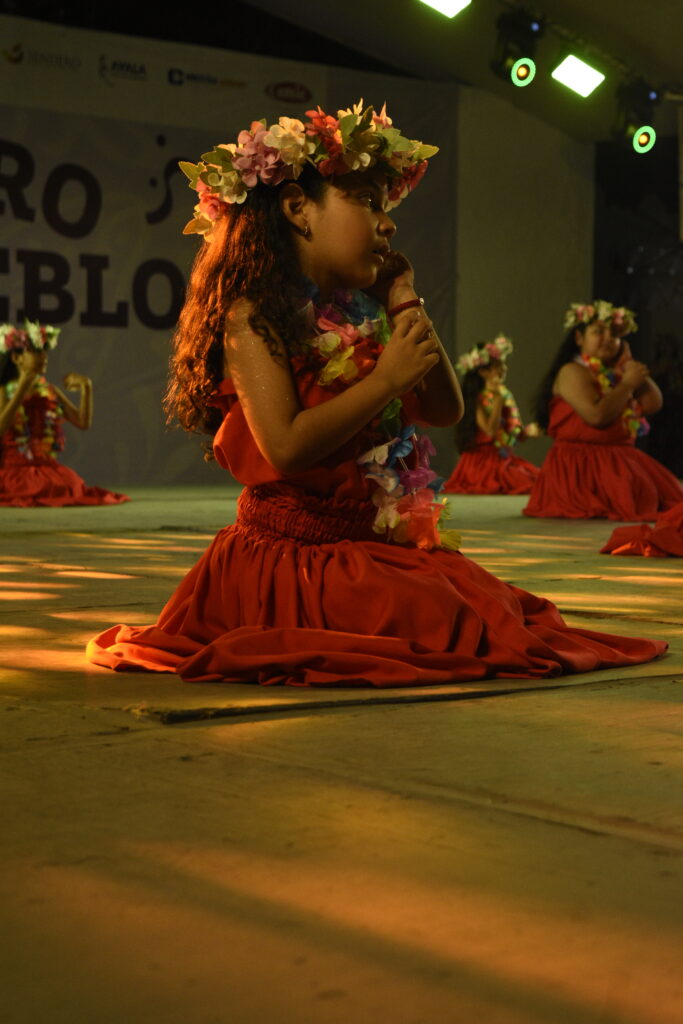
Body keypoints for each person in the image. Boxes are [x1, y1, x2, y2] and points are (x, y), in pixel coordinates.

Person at [87, 102, 665, 685]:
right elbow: (285, 448)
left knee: (491, 607)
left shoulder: (359, 316)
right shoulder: (252, 315)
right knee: (447, 619)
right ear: (298, 209)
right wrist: (386, 380)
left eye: (387, 208)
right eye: (367, 201)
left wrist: (404, 299)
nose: (387, 225)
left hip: (362, 544)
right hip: (293, 557)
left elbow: (445, 409)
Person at [524, 301, 683, 521]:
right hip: (580, 466)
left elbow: (652, 403)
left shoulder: (615, 374)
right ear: (579, 338)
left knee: (670, 503)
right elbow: (596, 416)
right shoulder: (572, 371)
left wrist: (628, 364)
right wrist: (627, 385)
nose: (608, 338)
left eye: (615, 334)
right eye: (599, 331)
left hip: (621, 459)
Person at [0, 321, 129, 507]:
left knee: (70, 484)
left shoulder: (49, 391)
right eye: (36, 352)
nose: (44, 357)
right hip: (15, 469)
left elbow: (82, 422)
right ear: (16, 358)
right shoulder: (4, 391)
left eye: (44, 352)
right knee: (39, 486)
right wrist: (21, 389)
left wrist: (86, 387)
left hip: (46, 467)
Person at [443, 336, 540, 494]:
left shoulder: (504, 393)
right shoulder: (477, 398)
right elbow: (490, 430)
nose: (504, 369)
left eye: (503, 364)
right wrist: (498, 401)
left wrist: (528, 431)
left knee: (539, 479)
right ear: (483, 372)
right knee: (525, 483)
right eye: (497, 366)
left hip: (502, 455)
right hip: (482, 461)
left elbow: (512, 432)